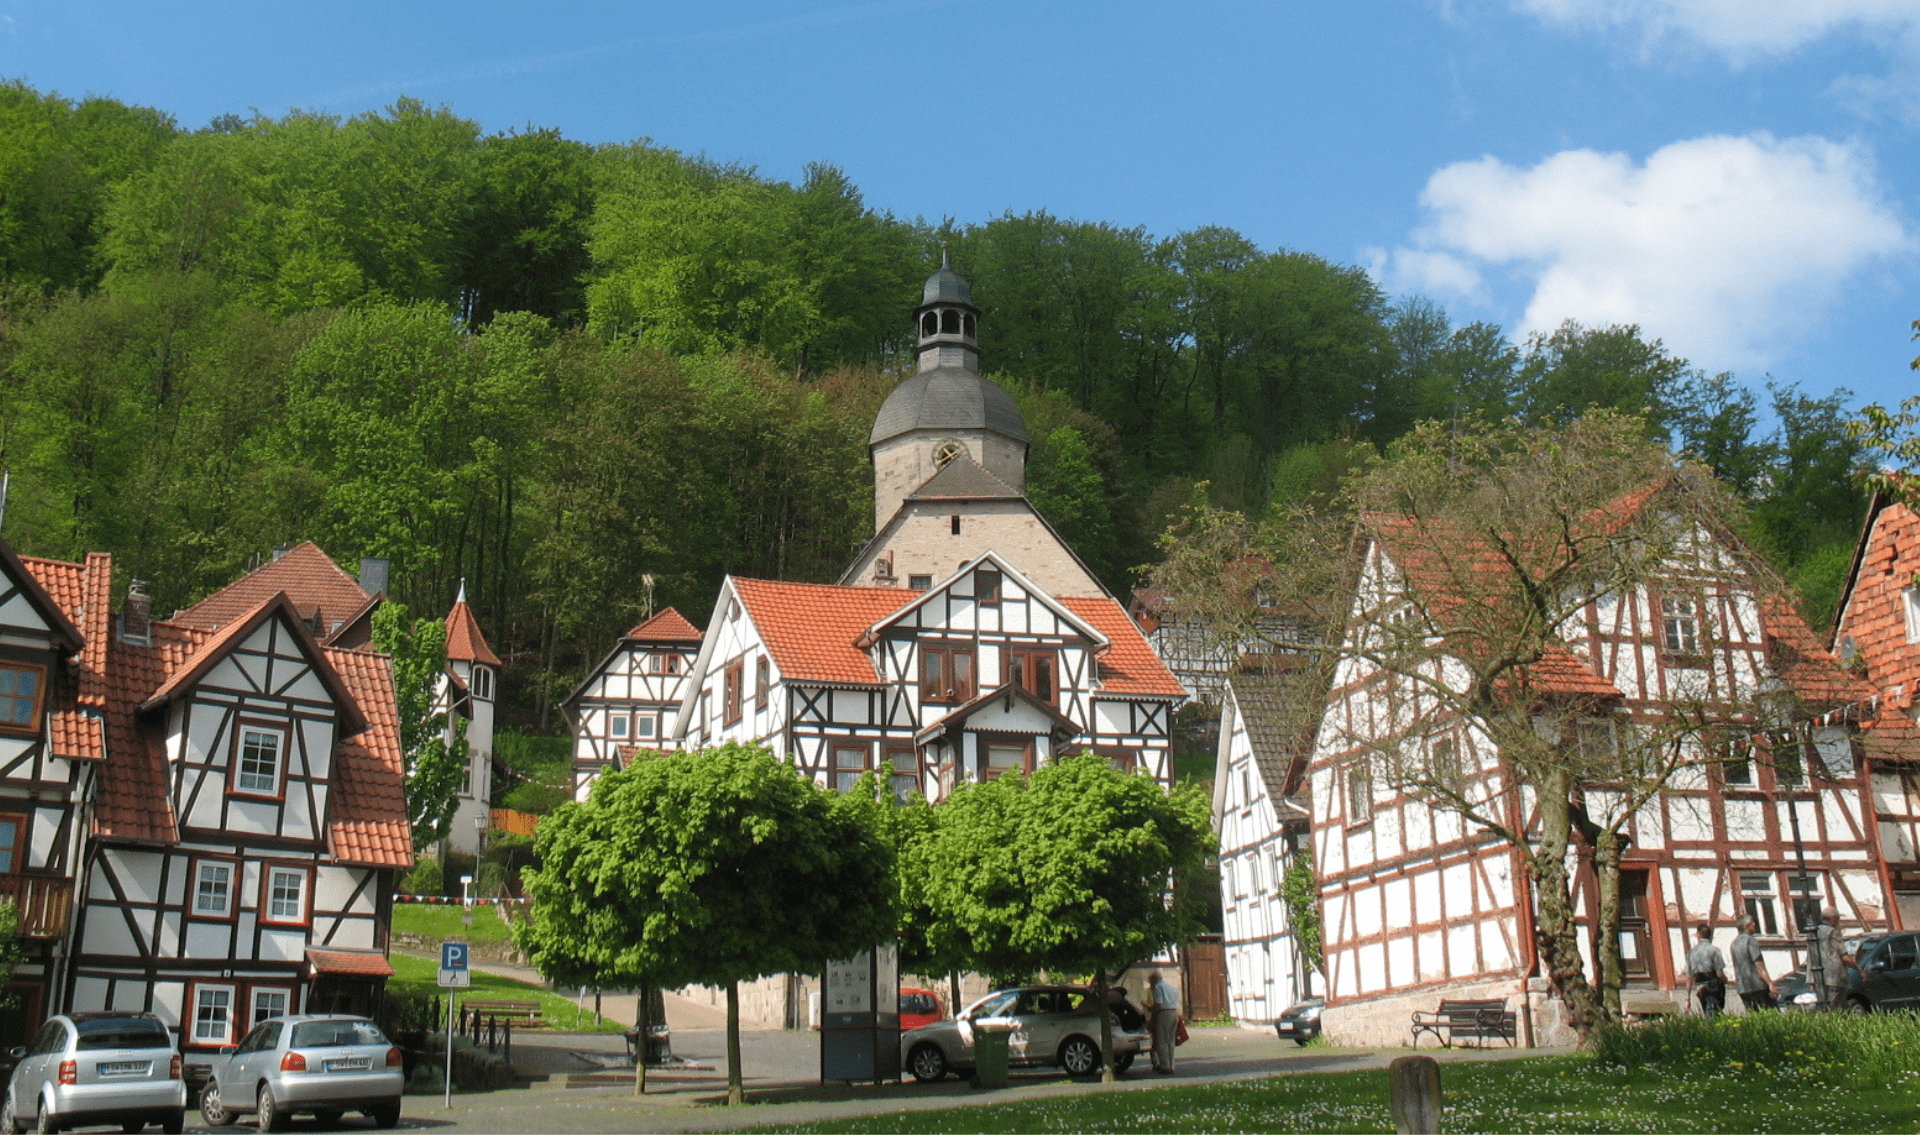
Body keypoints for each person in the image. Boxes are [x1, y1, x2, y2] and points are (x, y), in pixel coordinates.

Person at [1813, 905, 1862, 1010]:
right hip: (1834, 977)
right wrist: (1860, 970)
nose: (1839, 921)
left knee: (1827, 1006)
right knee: (1835, 1007)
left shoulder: (1814, 932)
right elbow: (1844, 957)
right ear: (1833, 918)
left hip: (1819, 977)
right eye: (1838, 918)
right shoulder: (1833, 932)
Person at [1730, 913, 1775, 1010]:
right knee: (1769, 1015)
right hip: (1757, 985)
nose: (1755, 925)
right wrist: (1770, 984)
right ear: (1747, 925)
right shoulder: (1751, 940)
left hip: (1743, 987)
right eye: (1753, 923)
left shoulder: (1734, 944)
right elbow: (1759, 965)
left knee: (1754, 1017)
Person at [1686, 923, 1727, 1017]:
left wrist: (1687, 998)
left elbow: (1689, 977)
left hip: (1700, 986)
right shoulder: (1714, 950)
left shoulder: (1691, 953)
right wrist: (1724, 980)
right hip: (1713, 984)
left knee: (1707, 1010)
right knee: (1714, 1012)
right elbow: (1719, 973)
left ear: (1698, 934)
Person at [1146, 970, 1180, 1073]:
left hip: (1164, 1013)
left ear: (1154, 980)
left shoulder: (1158, 987)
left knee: (1162, 1040)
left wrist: (1150, 1007)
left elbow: (1159, 1003)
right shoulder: (1172, 987)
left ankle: (1165, 1066)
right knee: (1171, 1040)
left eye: (1150, 981)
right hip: (1175, 1013)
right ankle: (1171, 1065)